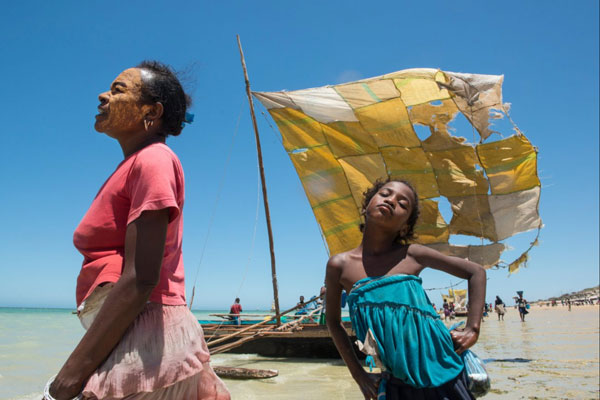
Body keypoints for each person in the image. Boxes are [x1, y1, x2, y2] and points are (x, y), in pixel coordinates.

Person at [48, 62, 230, 400]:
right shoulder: (135, 164)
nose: (102, 96)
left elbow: (141, 278)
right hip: (133, 329)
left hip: (145, 331)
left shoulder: (154, 160)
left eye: (118, 90)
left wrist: (66, 380)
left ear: (152, 112)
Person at [325, 179, 485, 400]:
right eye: (385, 194)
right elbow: (333, 322)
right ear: (366, 206)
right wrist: (358, 375)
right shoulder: (339, 266)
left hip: (446, 372)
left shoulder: (412, 255)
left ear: (405, 227)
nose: (391, 201)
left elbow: (476, 272)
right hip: (395, 383)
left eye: (402, 204)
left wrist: (472, 329)